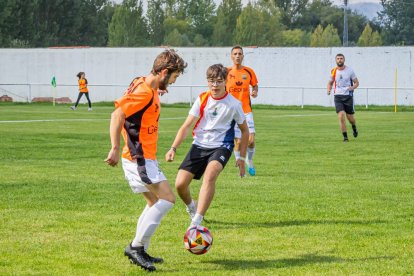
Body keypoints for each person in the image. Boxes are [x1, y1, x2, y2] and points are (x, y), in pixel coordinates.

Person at [105, 49, 187, 271]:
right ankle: (135, 246)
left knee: (153, 202)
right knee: (168, 199)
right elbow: (117, 115)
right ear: (163, 72)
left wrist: (159, 91)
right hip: (138, 159)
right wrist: (114, 147)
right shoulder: (144, 92)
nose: (173, 81)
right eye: (173, 77)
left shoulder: (143, 83)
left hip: (141, 158)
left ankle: (140, 249)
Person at [165, 64, 249, 228]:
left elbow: (245, 132)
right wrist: (173, 148)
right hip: (199, 145)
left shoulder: (234, 104)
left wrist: (241, 157)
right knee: (180, 184)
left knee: (210, 176)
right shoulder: (202, 99)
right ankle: (192, 207)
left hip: (221, 146)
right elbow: (186, 125)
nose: (215, 85)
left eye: (219, 81)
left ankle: (197, 221)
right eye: (211, 81)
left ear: (226, 81)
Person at [226, 45, 259, 176]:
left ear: (243, 56)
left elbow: (255, 86)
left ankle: (249, 161)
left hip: (246, 111)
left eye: (240, 54)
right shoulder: (225, 72)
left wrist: (255, 91)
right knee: (238, 143)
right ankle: (240, 166)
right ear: (231, 56)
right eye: (235, 54)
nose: (237, 56)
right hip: (231, 113)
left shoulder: (249, 72)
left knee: (251, 140)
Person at [327, 53, 359, 142]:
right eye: (338, 58)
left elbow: (357, 83)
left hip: (348, 96)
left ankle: (354, 127)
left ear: (344, 60)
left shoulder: (350, 71)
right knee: (341, 116)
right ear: (336, 60)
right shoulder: (333, 71)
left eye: (341, 58)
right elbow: (330, 83)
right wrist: (329, 90)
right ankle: (345, 137)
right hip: (338, 96)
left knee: (350, 118)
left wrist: (352, 87)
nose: (339, 60)